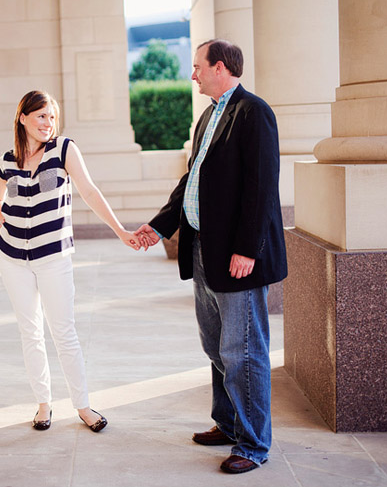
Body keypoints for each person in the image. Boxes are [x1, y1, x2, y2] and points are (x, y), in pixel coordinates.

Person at [136, 40, 287, 473]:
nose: (193, 74)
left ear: (219, 67)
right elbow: (192, 182)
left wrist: (247, 249)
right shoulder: (207, 116)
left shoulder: (253, 112)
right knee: (214, 344)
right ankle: (227, 422)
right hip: (203, 246)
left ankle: (253, 444)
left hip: (236, 254)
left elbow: (262, 187)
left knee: (243, 351)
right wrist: (160, 225)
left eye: (198, 66)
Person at [0, 90, 142, 433]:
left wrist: (119, 230)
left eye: (52, 116)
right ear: (23, 118)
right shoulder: (5, 161)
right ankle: (44, 404)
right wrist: (6, 223)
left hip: (53, 256)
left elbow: (89, 191)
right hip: (12, 258)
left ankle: (83, 406)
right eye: (41, 115)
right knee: (30, 331)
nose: (48, 123)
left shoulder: (64, 150)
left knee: (64, 332)